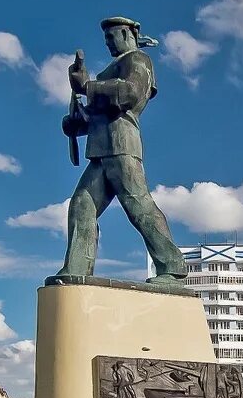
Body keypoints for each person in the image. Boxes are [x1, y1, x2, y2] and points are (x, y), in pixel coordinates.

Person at [51, 17, 189, 288]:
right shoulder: (114, 68)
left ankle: (171, 266)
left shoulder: (138, 61)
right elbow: (97, 116)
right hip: (102, 149)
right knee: (81, 205)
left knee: (138, 204)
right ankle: (78, 266)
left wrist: (87, 87)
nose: (108, 44)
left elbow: (128, 94)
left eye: (111, 38)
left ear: (127, 33)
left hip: (122, 145)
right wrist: (75, 123)